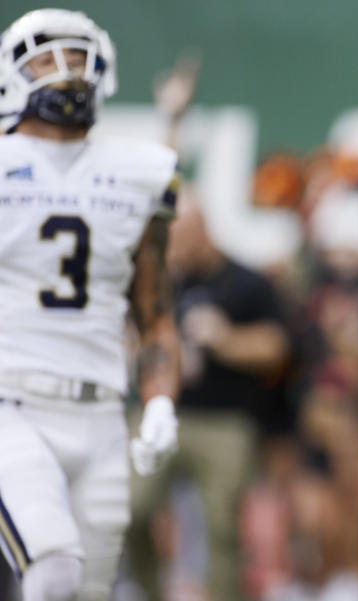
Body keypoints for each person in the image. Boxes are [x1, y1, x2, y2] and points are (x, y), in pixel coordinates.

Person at [0, 9, 181, 601]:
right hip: (12, 403)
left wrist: (159, 401)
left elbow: (153, 310)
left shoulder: (141, 172)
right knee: (52, 569)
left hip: (102, 412)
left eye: (78, 57)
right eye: (46, 58)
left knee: (89, 590)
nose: (65, 72)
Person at [125, 189, 293, 601]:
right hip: (160, 410)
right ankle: (149, 591)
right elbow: (135, 337)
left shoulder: (245, 282)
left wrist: (225, 340)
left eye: (181, 241)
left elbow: (278, 347)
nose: (174, 252)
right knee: (130, 507)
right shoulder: (159, 279)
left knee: (222, 523)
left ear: (201, 233)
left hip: (225, 419)